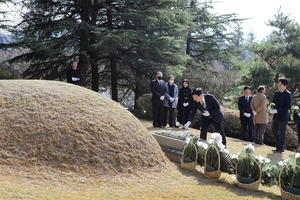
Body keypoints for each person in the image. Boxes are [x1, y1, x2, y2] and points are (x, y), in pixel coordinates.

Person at [270, 77, 292, 154]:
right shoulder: (276, 93)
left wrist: (277, 110)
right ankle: (279, 146)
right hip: (276, 116)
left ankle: (280, 148)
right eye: (278, 84)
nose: (278, 85)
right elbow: (273, 103)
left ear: (284, 85)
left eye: (280, 84)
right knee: (273, 131)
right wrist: (272, 109)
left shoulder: (288, 94)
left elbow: (288, 106)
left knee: (282, 133)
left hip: (283, 117)